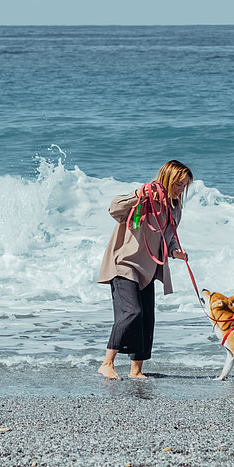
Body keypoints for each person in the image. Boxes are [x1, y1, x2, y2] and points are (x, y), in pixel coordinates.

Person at [97, 159, 193, 379]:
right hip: (125, 263)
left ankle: (136, 370)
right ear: (167, 179)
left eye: (184, 185)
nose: (181, 189)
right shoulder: (143, 198)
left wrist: (175, 251)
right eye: (178, 184)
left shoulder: (175, 208)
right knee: (132, 312)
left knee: (146, 318)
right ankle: (107, 363)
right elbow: (114, 209)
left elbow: (167, 240)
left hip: (148, 268)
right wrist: (139, 194)